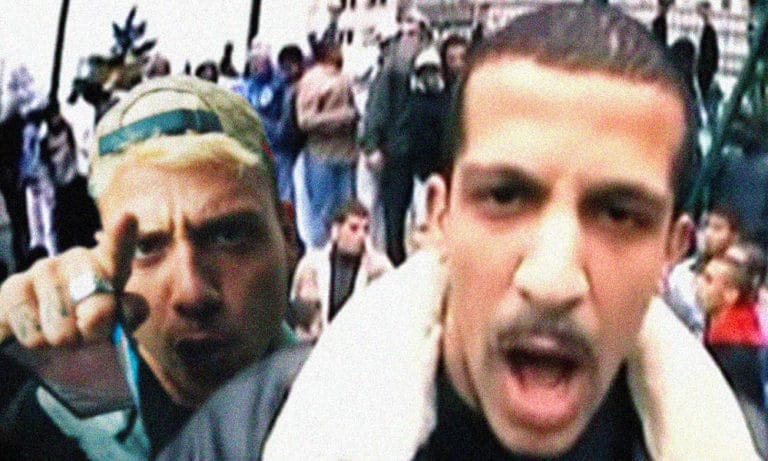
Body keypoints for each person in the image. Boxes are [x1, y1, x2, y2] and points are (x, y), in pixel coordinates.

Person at [262, 4, 759, 459]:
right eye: (504, 197)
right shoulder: (250, 430)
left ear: (672, 251)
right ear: (439, 217)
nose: (552, 280)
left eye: (617, 214)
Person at [0, 76, 305, 459]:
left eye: (229, 235)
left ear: (288, 236)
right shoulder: (52, 426)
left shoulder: (362, 407)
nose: (192, 293)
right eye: (145, 247)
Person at [696, 241, 768, 455]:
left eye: (708, 280)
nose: (698, 283)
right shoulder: (739, 337)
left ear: (730, 295)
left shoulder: (732, 349)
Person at [290, 200, 391, 337]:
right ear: (336, 231)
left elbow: (392, 310)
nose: (361, 235)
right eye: (354, 228)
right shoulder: (312, 264)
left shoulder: (379, 266)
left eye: (366, 229)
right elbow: (296, 314)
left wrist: (379, 276)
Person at [294, 39, 358, 249]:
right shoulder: (312, 81)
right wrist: (340, 116)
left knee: (347, 210)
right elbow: (305, 120)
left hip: (346, 154)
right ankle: (321, 254)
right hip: (321, 154)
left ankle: (344, 250)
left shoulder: (346, 78)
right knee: (322, 212)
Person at [664, 204, 740, 336]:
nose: (708, 233)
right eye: (706, 226)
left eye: (717, 228)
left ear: (733, 236)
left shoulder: (741, 279)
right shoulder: (682, 272)